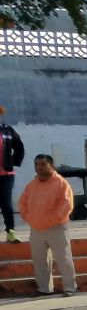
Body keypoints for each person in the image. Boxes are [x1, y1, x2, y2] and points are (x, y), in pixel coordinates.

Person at [18, 154, 77, 295]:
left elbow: (66, 205)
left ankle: (70, 287)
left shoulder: (61, 183)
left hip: (57, 227)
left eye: (43, 164)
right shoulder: (31, 186)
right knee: (40, 261)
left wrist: (49, 221)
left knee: (63, 258)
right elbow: (22, 204)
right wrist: (30, 219)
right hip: (36, 228)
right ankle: (44, 289)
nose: (39, 167)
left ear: (52, 166)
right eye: (36, 164)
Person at [0, 104, 24, 243]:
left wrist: (14, 161)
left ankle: (10, 231)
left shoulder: (7, 130)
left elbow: (19, 146)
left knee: (6, 203)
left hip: (6, 174)